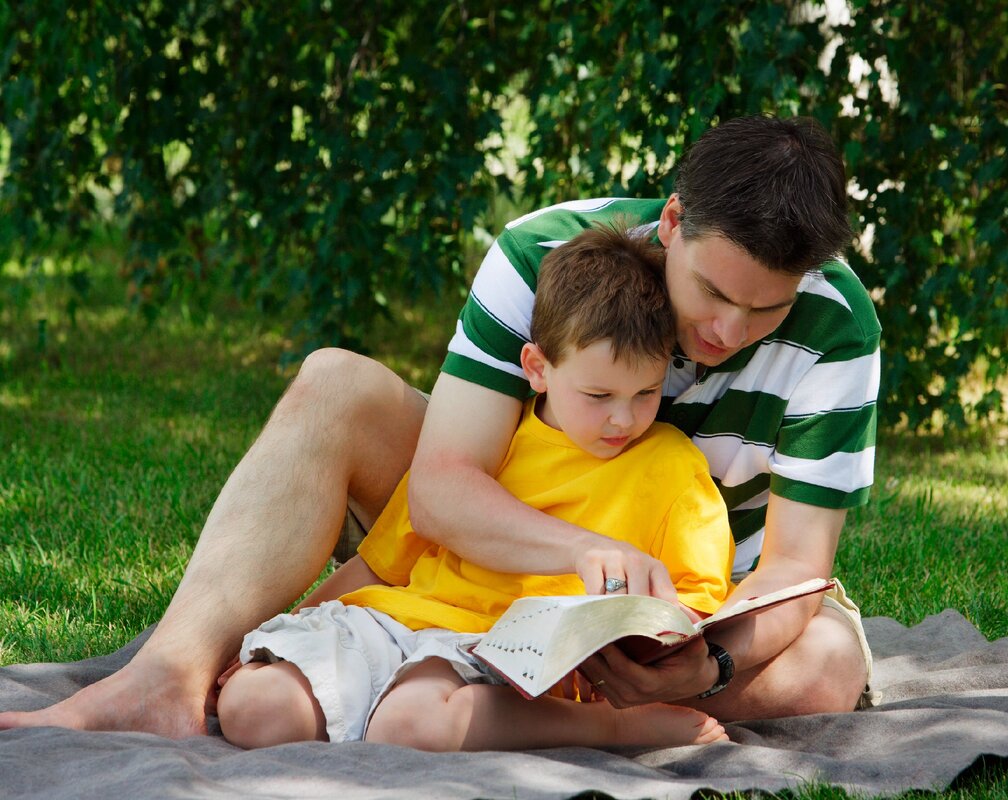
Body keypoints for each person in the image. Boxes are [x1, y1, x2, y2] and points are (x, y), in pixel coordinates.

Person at [0, 114, 879, 739]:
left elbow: (798, 568)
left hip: (684, 589)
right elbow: (445, 488)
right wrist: (580, 552)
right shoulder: (544, 254)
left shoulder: (840, 327)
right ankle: (170, 676)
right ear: (676, 223)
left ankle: (567, 711)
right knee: (335, 382)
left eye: (765, 309)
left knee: (831, 666)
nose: (728, 332)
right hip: (516, 516)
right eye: (716, 293)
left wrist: (710, 665)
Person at [216, 224, 735, 750]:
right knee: (250, 708)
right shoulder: (486, 441)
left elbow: (692, 605)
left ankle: (610, 732)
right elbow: (380, 563)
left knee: (409, 724)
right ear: (538, 368)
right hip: (393, 621)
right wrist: (295, 626)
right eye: (598, 394)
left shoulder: (671, 467)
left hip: (498, 651)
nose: (622, 419)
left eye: (646, 392)